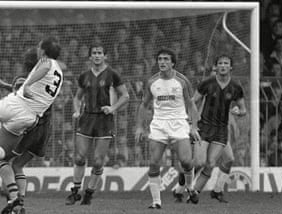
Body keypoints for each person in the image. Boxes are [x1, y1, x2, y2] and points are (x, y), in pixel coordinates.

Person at [0, 36, 62, 214]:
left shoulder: (44, 64)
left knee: (10, 162)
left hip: (20, 110)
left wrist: (27, 86)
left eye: (39, 47)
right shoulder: (59, 73)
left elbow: (35, 74)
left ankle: (14, 199)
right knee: (7, 161)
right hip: (32, 119)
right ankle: (16, 201)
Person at [135, 48, 201, 209]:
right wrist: (139, 127)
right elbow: (144, 105)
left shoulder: (182, 81)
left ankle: (190, 187)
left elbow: (191, 104)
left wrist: (194, 127)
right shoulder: (152, 82)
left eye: (166, 59)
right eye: (160, 59)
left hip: (179, 123)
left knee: (186, 161)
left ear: (173, 63)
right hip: (159, 124)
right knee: (153, 162)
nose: (162, 62)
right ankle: (156, 202)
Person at [65, 42, 129, 206]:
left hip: (104, 121)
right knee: (79, 157)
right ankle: (75, 191)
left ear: (105, 56)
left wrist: (113, 108)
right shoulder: (84, 76)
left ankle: (89, 193)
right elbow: (77, 97)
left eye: (100, 52)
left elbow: (125, 96)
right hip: (87, 119)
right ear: (90, 56)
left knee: (99, 161)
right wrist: (77, 111)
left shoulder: (113, 74)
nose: (97, 55)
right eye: (94, 52)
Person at [187, 54, 246, 203]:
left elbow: (243, 109)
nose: (223, 66)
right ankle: (185, 176)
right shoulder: (207, 83)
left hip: (221, 130)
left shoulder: (236, 87)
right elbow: (193, 102)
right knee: (199, 162)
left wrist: (238, 112)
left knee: (213, 163)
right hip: (204, 127)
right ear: (216, 66)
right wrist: (191, 124)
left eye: (226, 63)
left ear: (231, 67)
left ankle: (195, 193)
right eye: (220, 63)